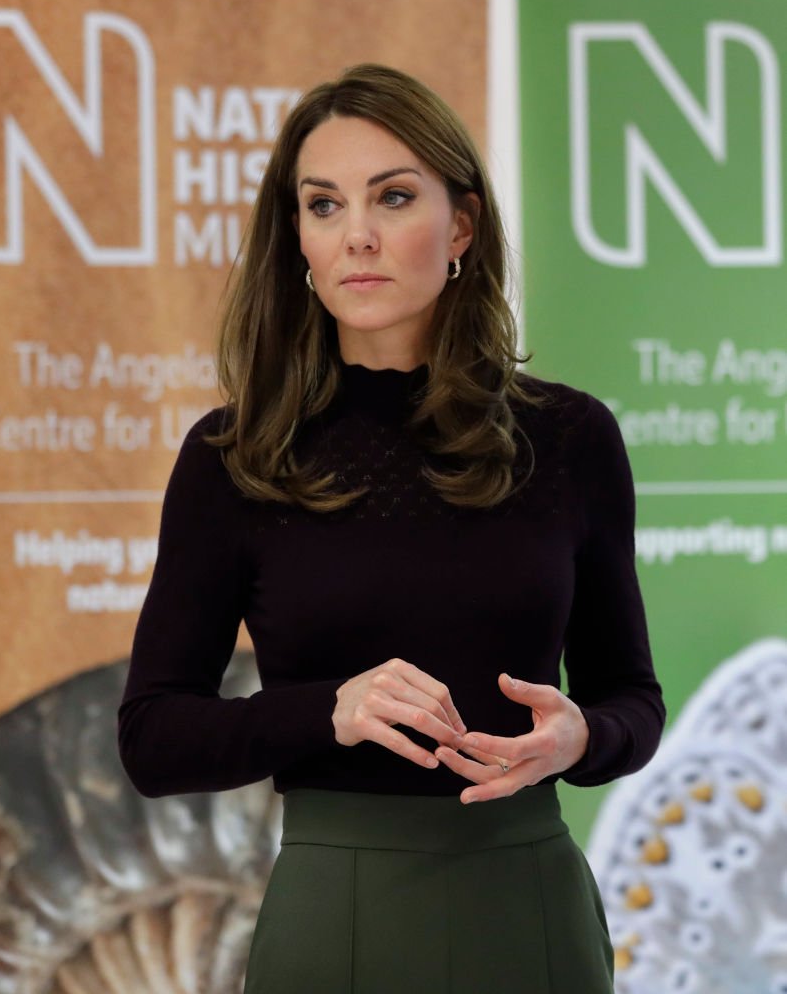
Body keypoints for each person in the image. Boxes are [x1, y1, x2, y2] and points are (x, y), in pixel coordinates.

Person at [118, 63, 665, 993]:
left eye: (394, 197)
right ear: (297, 237)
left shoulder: (571, 437)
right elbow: (154, 737)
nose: (357, 236)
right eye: (323, 205)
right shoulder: (233, 455)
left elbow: (632, 702)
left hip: (529, 905)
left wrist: (579, 740)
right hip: (336, 914)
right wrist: (325, 712)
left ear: (461, 225)